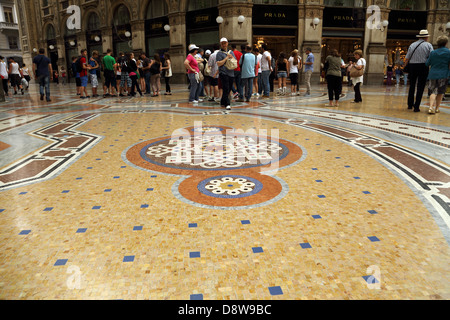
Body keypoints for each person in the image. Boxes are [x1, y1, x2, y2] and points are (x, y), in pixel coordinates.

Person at [404, 29, 434, 112]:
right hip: (423, 66)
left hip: (413, 66)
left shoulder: (412, 45)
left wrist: (405, 66)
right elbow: (431, 56)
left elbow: (407, 57)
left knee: (412, 86)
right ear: (426, 37)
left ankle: (410, 104)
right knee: (420, 87)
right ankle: (416, 106)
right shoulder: (428, 45)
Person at [425, 35, 450, 114]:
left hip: (433, 74)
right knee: (440, 92)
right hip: (444, 74)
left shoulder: (433, 53)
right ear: (446, 43)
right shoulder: (448, 52)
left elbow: (427, 63)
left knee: (433, 91)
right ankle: (437, 108)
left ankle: (430, 107)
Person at [216, 38, 236, 110]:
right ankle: (227, 104)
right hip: (223, 73)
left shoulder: (231, 52)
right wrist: (226, 57)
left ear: (227, 43)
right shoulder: (219, 53)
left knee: (229, 88)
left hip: (231, 72)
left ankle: (222, 101)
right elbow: (218, 64)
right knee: (226, 88)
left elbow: (235, 61)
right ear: (221, 44)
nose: (224, 45)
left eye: (225, 43)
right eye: (222, 43)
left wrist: (232, 57)